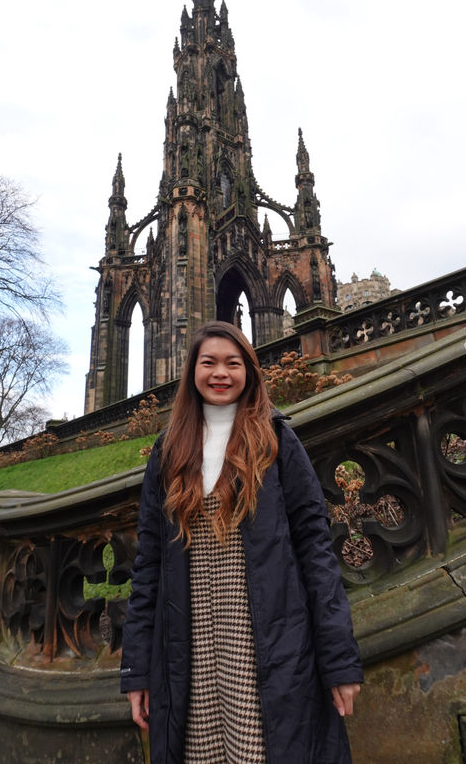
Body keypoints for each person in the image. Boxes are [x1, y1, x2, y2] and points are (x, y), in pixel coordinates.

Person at [120, 321, 362, 763]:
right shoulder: (168, 450)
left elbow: (316, 552)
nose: (220, 373)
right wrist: (137, 670)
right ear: (191, 370)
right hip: (189, 654)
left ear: (249, 371)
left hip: (265, 647)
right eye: (208, 362)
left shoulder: (275, 440)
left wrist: (339, 662)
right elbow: (148, 566)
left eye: (233, 363)